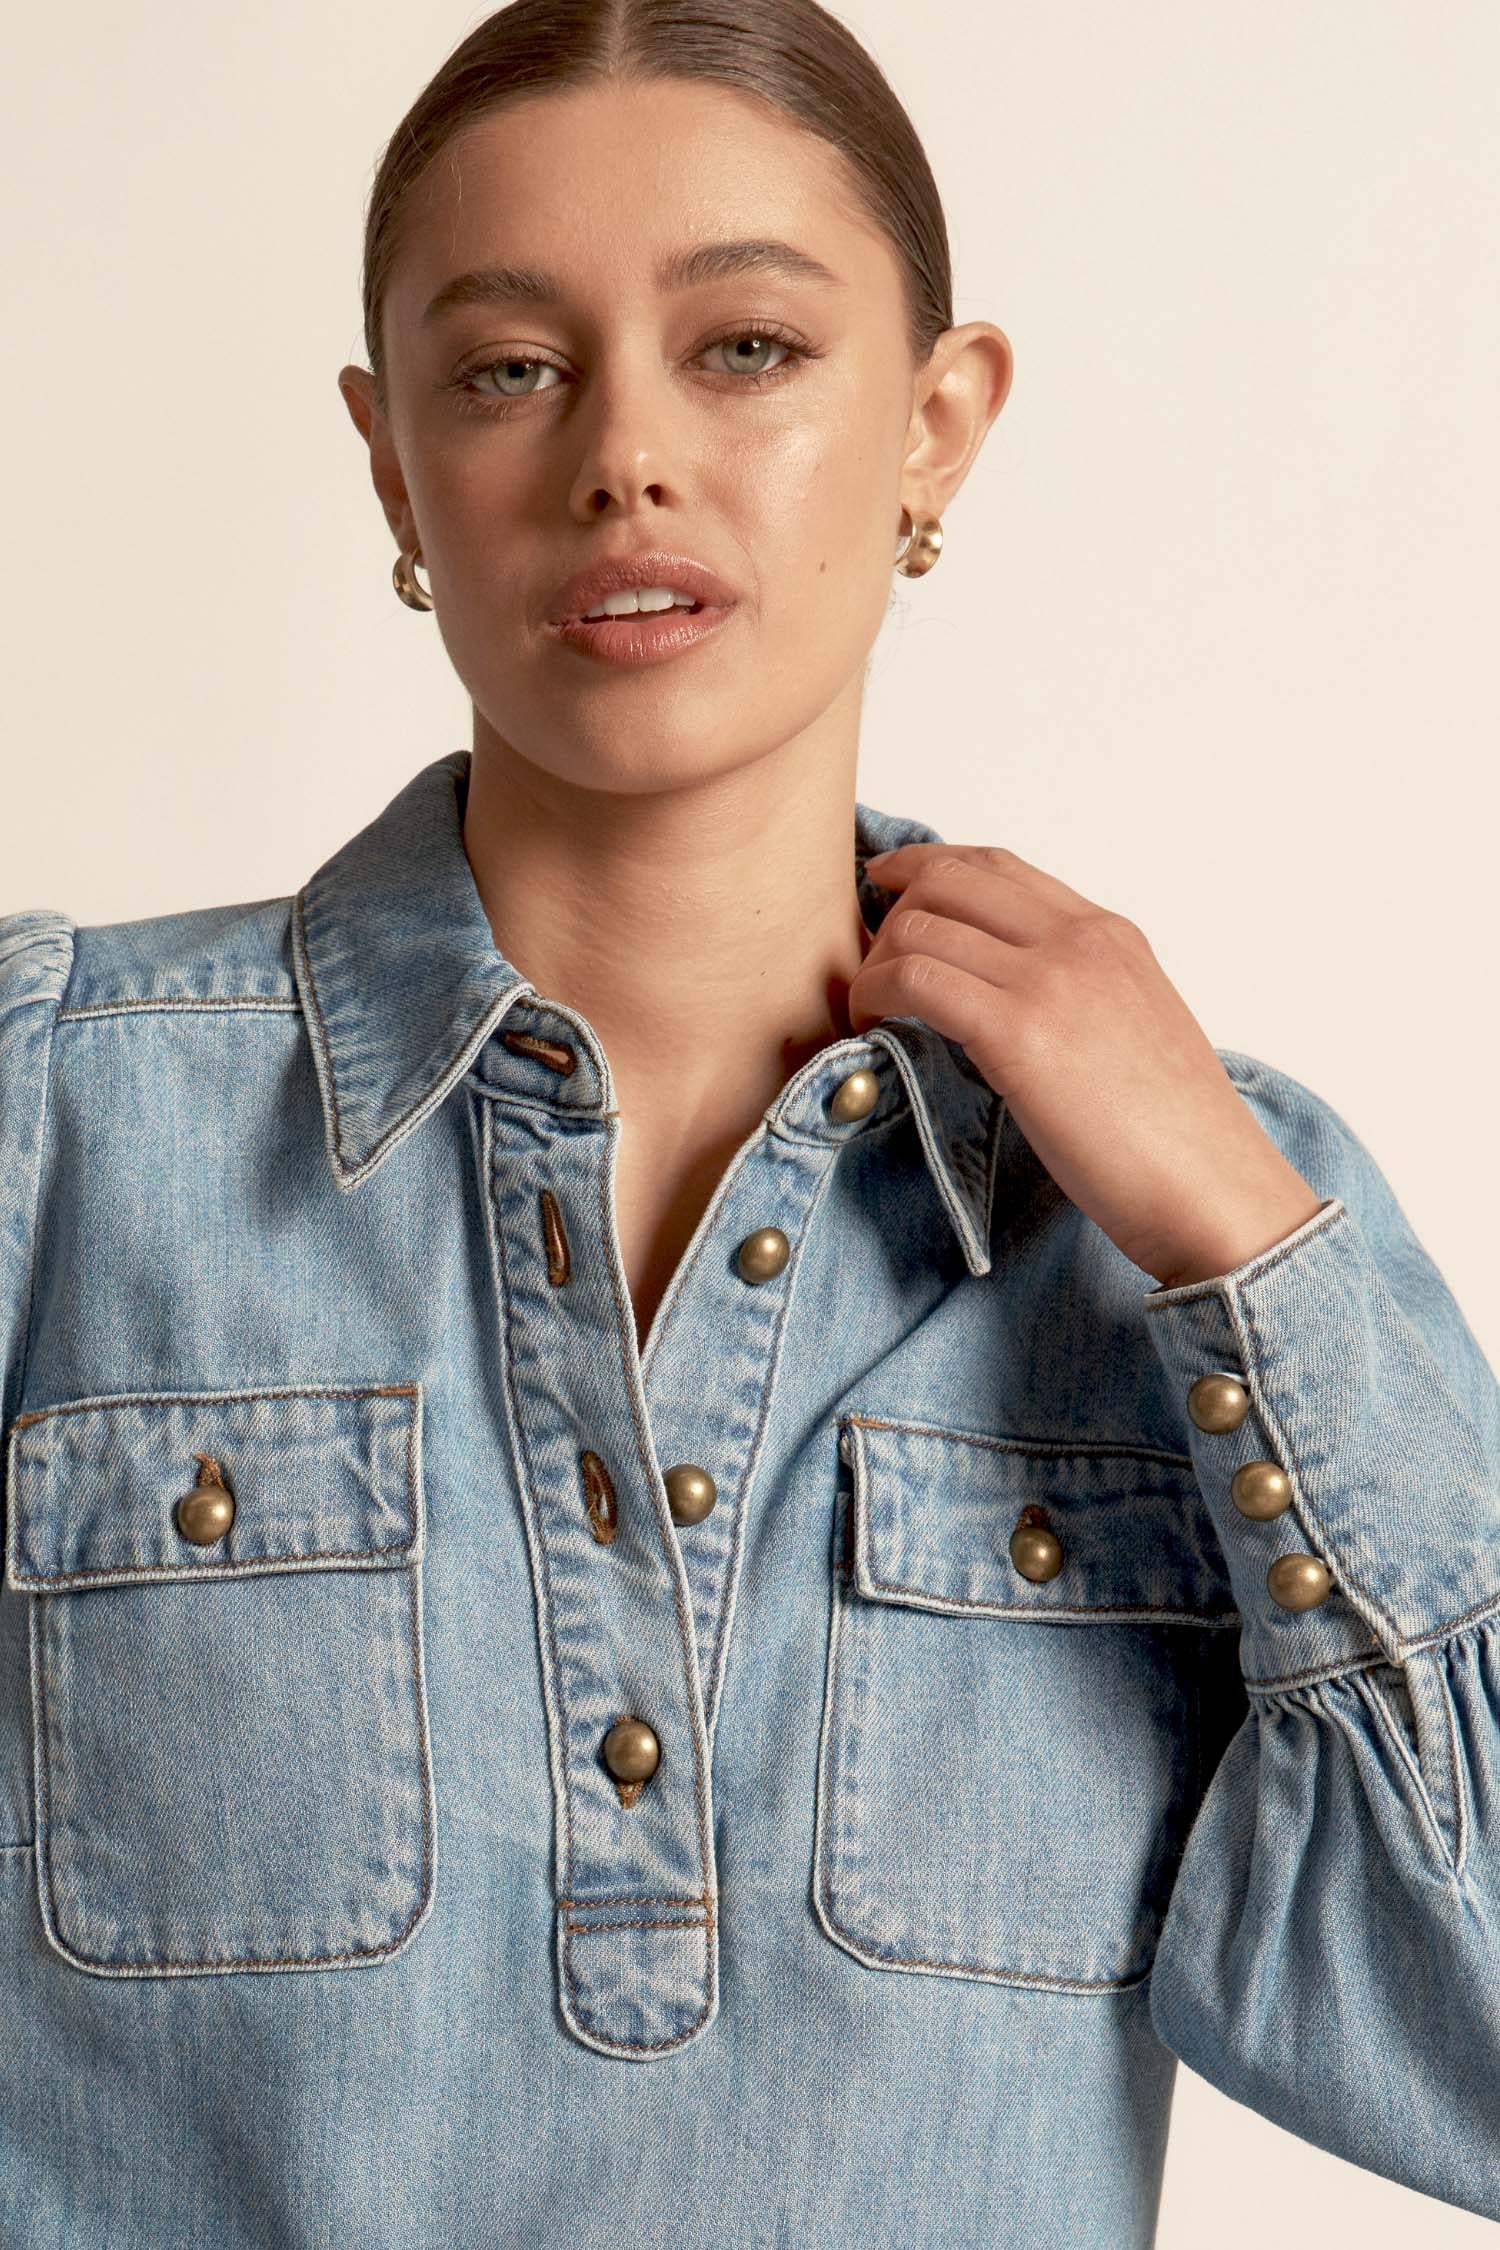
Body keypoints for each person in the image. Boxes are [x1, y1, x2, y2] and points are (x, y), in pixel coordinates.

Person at [1, 3, 1496, 2243]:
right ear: (391, 460)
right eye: (512, 367)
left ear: (936, 425)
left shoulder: (1184, 1232)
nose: (626, 455)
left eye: (749, 349)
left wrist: (1233, 1239)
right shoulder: (57, 1127)